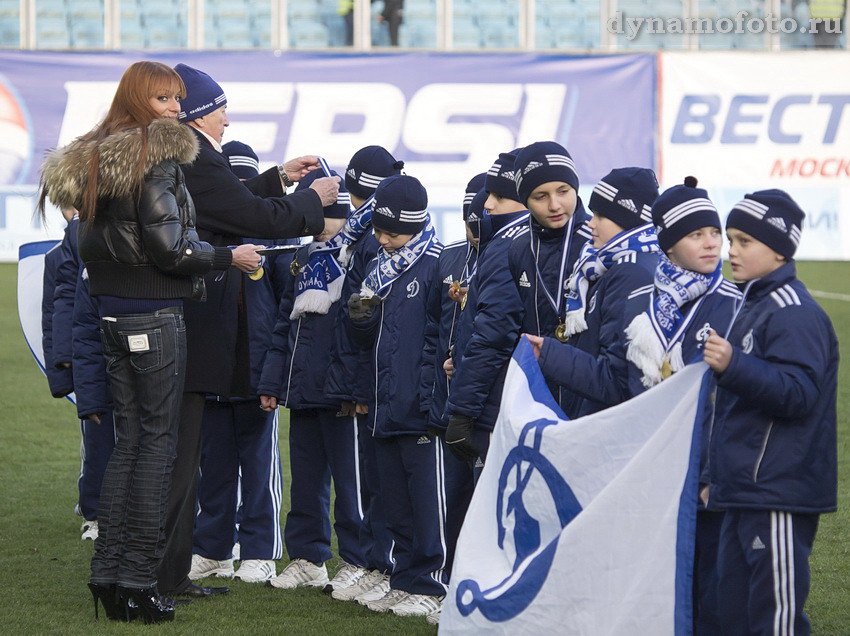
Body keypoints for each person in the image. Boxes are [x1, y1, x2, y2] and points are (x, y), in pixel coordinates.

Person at [38, 60, 261, 624]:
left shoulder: (97, 156)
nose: (176, 111)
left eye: (178, 100)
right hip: (155, 314)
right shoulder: (155, 159)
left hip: (113, 316)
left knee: (129, 448)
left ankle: (110, 579)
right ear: (142, 101)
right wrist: (224, 256)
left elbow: (96, 245)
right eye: (165, 99)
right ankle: (137, 584)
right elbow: (172, 250)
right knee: (155, 451)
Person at [157, 63, 339, 600]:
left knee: (178, 458)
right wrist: (313, 199)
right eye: (219, 108)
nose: (226, 118)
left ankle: (166, 572)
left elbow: (229, 205)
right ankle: (159, 574)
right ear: (193, 113)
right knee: (174, 460)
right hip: (183, 330)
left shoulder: (180, 155)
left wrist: (279, 178)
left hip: (175, 331)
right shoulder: (189, 153)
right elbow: (250, 217)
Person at [703, 190, 838, 635]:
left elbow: (799, 393)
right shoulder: (753, 303)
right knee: (735, 615)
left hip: (776, 492)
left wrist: (733, 365)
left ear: (779, 248)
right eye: (731, 239)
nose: (730, 250)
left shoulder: (793, 312)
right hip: (742, 490)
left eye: (744, 241)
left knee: (773, 618)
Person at [622, 177, 742, 634]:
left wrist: (712, 475)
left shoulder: (736, 304)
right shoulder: (637, 303)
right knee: (654, 593)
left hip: (707, 478)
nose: (712, 243)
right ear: (668, 246)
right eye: (696, 235)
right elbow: (615, 382)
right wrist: (547, 356)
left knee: (708, 594)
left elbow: (733, 403)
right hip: (649, 471)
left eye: (716, 232)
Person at [445, 143, 591, 467]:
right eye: (541, 196)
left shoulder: (598, 246)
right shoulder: (520, 248)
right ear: (526, 200)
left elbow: (496, 332)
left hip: (589, 411)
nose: (555, 204)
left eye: (564, 190)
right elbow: (506, 331)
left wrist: (464, 407)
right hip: (534, 409)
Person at [259, 170, 369, 593]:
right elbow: (282, 326)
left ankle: (360, 560)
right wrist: (274, 382)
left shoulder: (360, 256)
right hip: (304, 389)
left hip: (341, 393)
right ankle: (308, 558)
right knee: (306, 480)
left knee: (351, 482)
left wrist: (354, 388)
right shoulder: (303, 258)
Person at [189, 141, 293, 585]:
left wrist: (273, 371)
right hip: (211, 365)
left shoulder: (274, 231)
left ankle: (260, 550)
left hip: (254, 365)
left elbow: (285, 308)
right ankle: (212, 549)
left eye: (246, 183)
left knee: (257, 461)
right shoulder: (196, 229)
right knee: (212, 463)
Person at [346, 174, 446, 618]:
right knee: (396, 503)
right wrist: (361, 311)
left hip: (419, 407)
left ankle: (430, 583)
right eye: (379, 231)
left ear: (418, 225)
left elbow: (438, 340)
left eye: (394, 232)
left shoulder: (438, 265)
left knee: (426, 503)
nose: (384, 241)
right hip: (384, 402)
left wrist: (427, 396)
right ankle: (404, 580)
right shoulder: (375, 270)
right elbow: (364, 339)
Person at [323, 145, 403, 605]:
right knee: (372, 477)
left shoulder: (376, 240)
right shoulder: (364, 235)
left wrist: (356, 386)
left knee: (382, 479)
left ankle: (384, 563)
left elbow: (366, 323)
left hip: (379, 378)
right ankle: (375, 562)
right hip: (368, 376)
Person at [526, 167, 660, 419]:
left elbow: (616, 381)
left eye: (600, 216)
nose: (591, 223)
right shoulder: (614, 265)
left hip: (610, 427)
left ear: (628, 219)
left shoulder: (631, 273)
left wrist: (549, 353)